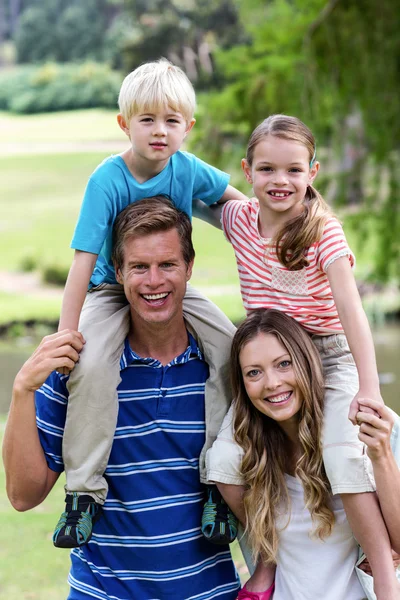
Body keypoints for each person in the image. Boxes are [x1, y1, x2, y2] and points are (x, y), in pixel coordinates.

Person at [3, 196, 241, 600]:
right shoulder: (78, 370)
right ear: (118, 272)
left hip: (211, 592)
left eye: (167, 264)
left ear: (188, 267)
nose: (154, 282)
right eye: (139, 267)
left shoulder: (230, 370)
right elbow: (24, 496)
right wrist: (22, 389)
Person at [203, 114, 399, 599]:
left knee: (342, 459)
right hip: (276, 359)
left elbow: (354, 317)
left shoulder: (322, 232)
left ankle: (383, 574)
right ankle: (268, 561)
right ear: (248, 171)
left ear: (313, 171)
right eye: (267, 169)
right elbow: (190, 185)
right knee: (223, 461)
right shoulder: (239, 220)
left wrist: (368, 390)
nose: (280, 181)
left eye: (294, 170)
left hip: (330, 359)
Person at [54, 58, 246, 548]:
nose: (160, 131)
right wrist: (66, 332)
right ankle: (83, 493)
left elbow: (234, 200)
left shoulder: (186, 168)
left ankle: (217, 481)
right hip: (107, 288)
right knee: (93, 363)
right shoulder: (108, 180)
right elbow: (82, 261)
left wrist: (277, 215)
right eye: (147, 120)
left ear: (188, 127)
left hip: (166, 281)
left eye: (172, 121)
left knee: (233, 348)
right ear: (125, 124)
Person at [207, 308, 400, 600]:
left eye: (284, 364)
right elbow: (267, 549)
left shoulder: (362, 436)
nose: (272, 383)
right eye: (254, 372)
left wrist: (382, 455)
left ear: (307, 363)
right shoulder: (250, 462)